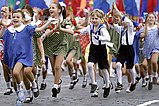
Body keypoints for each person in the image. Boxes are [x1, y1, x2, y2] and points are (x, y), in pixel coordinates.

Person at [1, 9, 53, 105]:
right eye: (14, 17)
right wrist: (4, 27)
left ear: (22, 19)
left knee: (18, 72)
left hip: (24, 56)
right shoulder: (10, 30)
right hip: (13, 57)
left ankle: (27, 88)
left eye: (18, 17)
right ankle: (20, 95)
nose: (15, 18)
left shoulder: (26, 28)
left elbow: (39, 30)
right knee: (15, 77)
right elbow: (1, 36)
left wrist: (49, 21)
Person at [77, 9, 111, 98]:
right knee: (89, 64)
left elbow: (108, 38)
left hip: (101, 49)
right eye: (92, 18)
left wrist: (99, 37)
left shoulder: (102, 28)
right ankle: (94, 83)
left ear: (101, 19)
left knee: (103, 68)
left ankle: (107, 84)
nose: (94, 20)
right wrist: (76, 33)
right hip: (93, 48)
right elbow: (82, 31)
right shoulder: (90, 27)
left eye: (96, 18)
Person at [140, 13, 159, 90]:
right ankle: (150, 79)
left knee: (154, 62)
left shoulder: (157, 28)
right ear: (147, 19)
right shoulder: (144, 27)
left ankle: (155, 74)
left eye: (152, 17)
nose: (151, 19)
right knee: (149, 65)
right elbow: (141, 36)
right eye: (149, 17)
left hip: (156, 47)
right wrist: (145, 29)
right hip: (147, 48)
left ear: (155, 19)